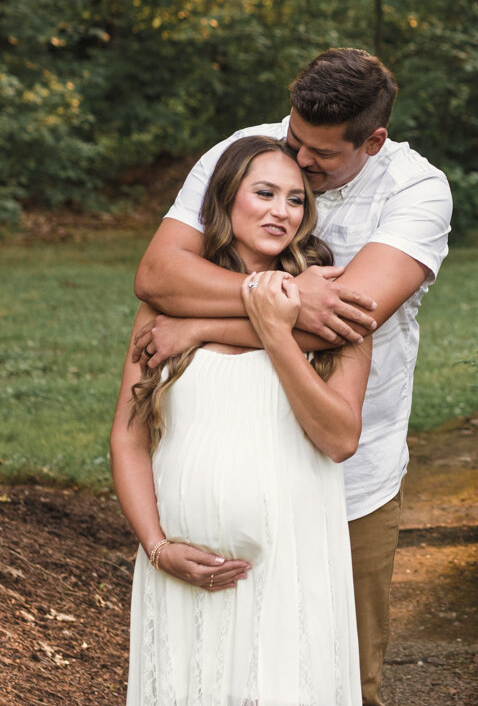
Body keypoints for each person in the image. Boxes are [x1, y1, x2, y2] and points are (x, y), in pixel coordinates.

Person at [132, 48, 452, 706]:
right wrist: (277, 296)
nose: (298, 162)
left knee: (337, 679)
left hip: (350, 484)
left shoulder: (416, 191)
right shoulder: (246, 153)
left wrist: (194, 326)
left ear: (373, 140)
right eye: (293, 138)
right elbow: (157, 276)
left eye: (319, 158)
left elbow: (334, 328)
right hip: (228, 478)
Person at [109, 134, 370, 706]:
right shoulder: (166, 304)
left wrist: (275, 331)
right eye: (265, 193)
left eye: (296, 199)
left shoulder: (331, 298)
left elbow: (340, 437)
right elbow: (127, 440)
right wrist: (156, 547)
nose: (281, 211)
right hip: (179, 573)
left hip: (288, 572)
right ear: (226, 198)